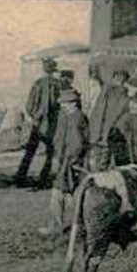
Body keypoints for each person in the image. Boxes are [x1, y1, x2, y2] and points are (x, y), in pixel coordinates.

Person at [45, 87, 91, 237]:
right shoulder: (70, 116)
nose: (61, 105)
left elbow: (76, 143)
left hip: (71, 161)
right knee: (65, 192)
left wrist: (69, 161)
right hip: (68, 160)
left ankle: (62, 225)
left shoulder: (76, 118)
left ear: (73, 103)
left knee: (64, 191)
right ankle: (72, 224)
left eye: (64, 103)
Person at [15, 58, 65, 188]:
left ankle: (20, 176)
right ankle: (44, 177)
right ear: (54, 69)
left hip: (38, 123)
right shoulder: (60, 84)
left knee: (30, 150)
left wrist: (34, 117)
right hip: (54, 123)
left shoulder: (38, 83)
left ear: (43, 69)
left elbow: (29, 106)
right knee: (50, 152)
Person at [88, 67, 132, 168]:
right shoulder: (112, 91)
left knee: (101, 160)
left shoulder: (109, 91)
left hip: (105, 133)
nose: (119, 82)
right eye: (117, 80)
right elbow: (99, 112)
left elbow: (99, 112)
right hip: (107, 133)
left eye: (121, 80)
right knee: (103, 159)